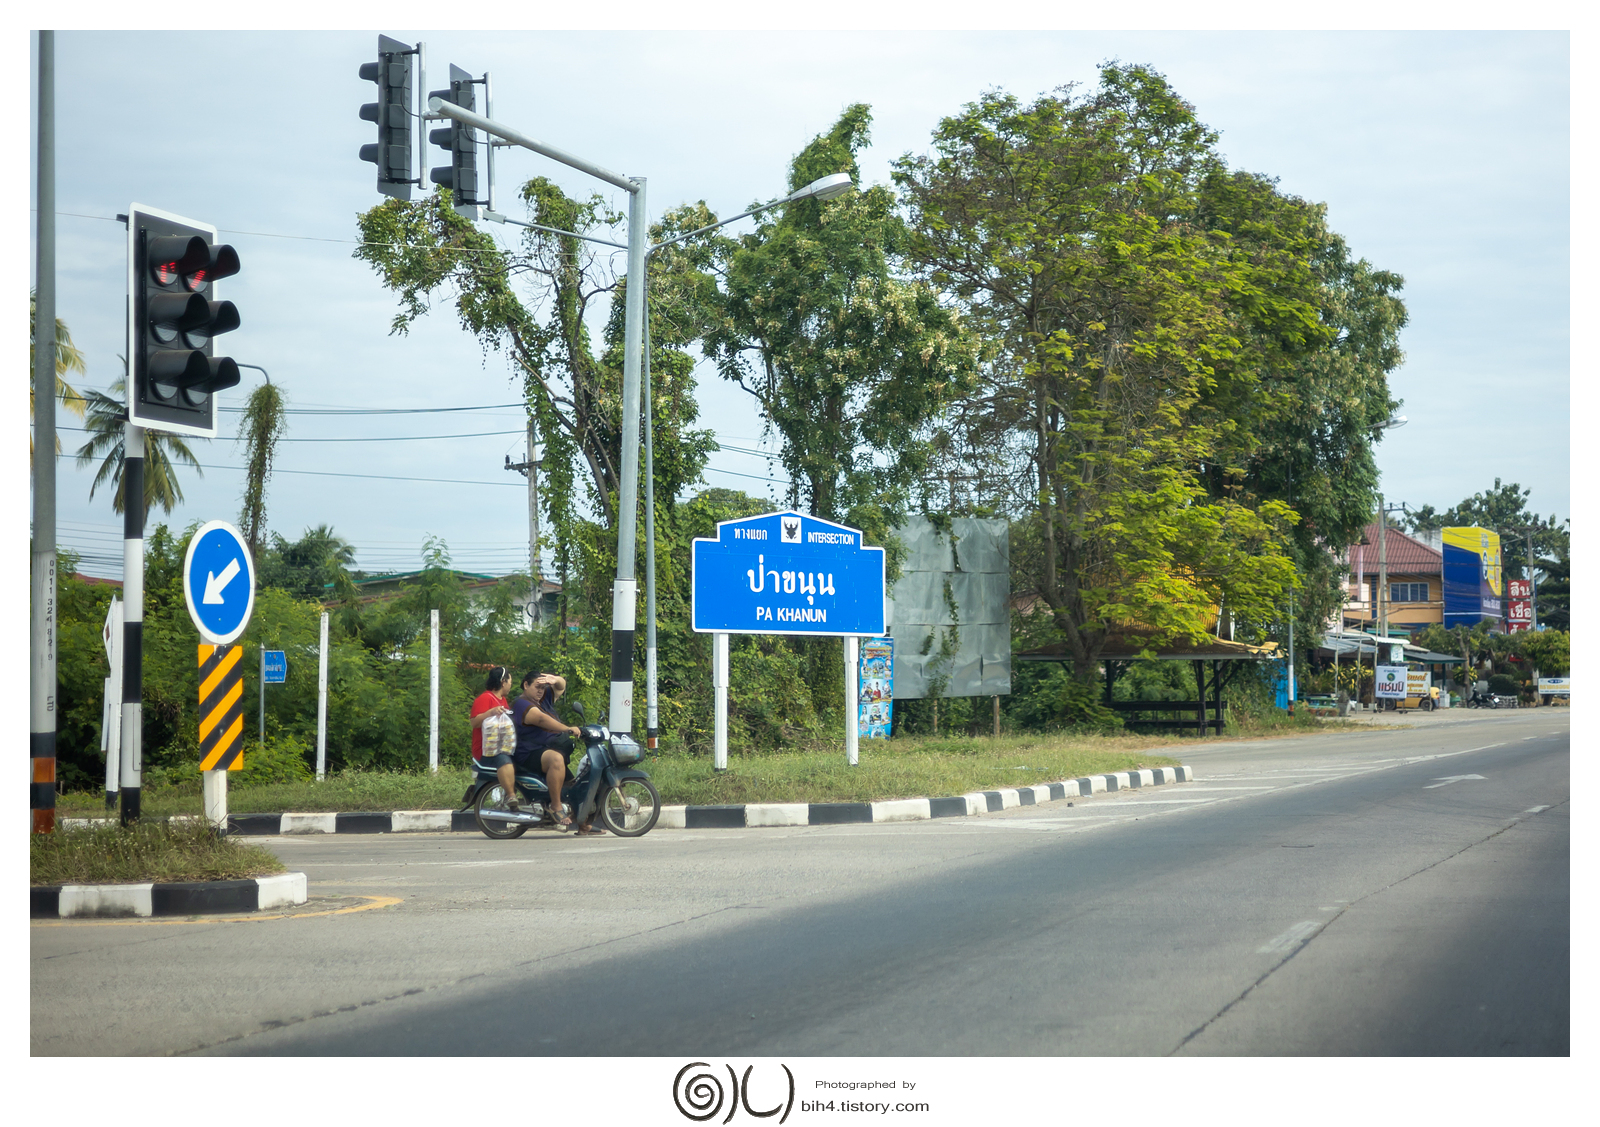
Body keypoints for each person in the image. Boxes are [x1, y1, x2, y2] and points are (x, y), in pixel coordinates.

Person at [510, 671, 604, 833]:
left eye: (543, 688)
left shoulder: (543, 699)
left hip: (546, 749)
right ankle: (555, 806)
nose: (540, 691)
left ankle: (582, 824)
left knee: (574, 786)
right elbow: (541, 719)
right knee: (556, 759)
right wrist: (567, 729)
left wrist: (555, 680)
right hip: (530, 752)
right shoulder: (521, 704)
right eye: (537, 687)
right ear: (526, 685)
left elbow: (561, 687)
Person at [469, 666, 519, 806]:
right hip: (487, 750)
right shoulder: (484, 698)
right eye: (510, 682)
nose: (510, 685)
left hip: (502, 746)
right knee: (503, 759)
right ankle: (511, 795)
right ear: (503, 682)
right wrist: (490, 712)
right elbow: (474, 722)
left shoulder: (503, 700)